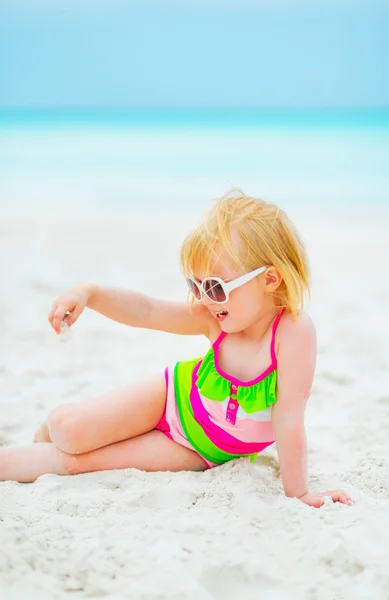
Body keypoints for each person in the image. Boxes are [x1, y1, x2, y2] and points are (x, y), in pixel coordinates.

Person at [0, 191, 352, 508]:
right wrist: (90, 293)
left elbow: (289, 417)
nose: (203, 299)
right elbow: (147, 311)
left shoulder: (292, 332)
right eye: (196, 285)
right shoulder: (214, 318)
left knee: (77, 462)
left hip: (200, 449)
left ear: (269, 280)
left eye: (215, 287)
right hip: (170, 397)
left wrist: (300, 493)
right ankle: (49, 429)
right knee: (67, 431)